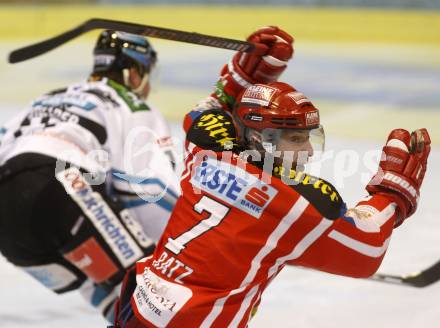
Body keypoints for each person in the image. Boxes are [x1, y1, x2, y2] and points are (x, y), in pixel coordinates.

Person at [113, 27, 431, 328]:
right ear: (256, 138)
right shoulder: (291, 204)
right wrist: (392, 195)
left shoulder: (204, 149)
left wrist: (239, 80)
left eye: (309, 137)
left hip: (137, 308)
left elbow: (206, 112)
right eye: (293, 139)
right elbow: (367, 252)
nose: (307, 151)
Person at [0, 30, 179, 322]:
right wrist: (179, 252)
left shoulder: (48, 98)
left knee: (109, 288)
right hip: (57, 184)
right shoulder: (130, 104)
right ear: (133, 73)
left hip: (7, 217)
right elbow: (148, 188)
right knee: (149, 290)